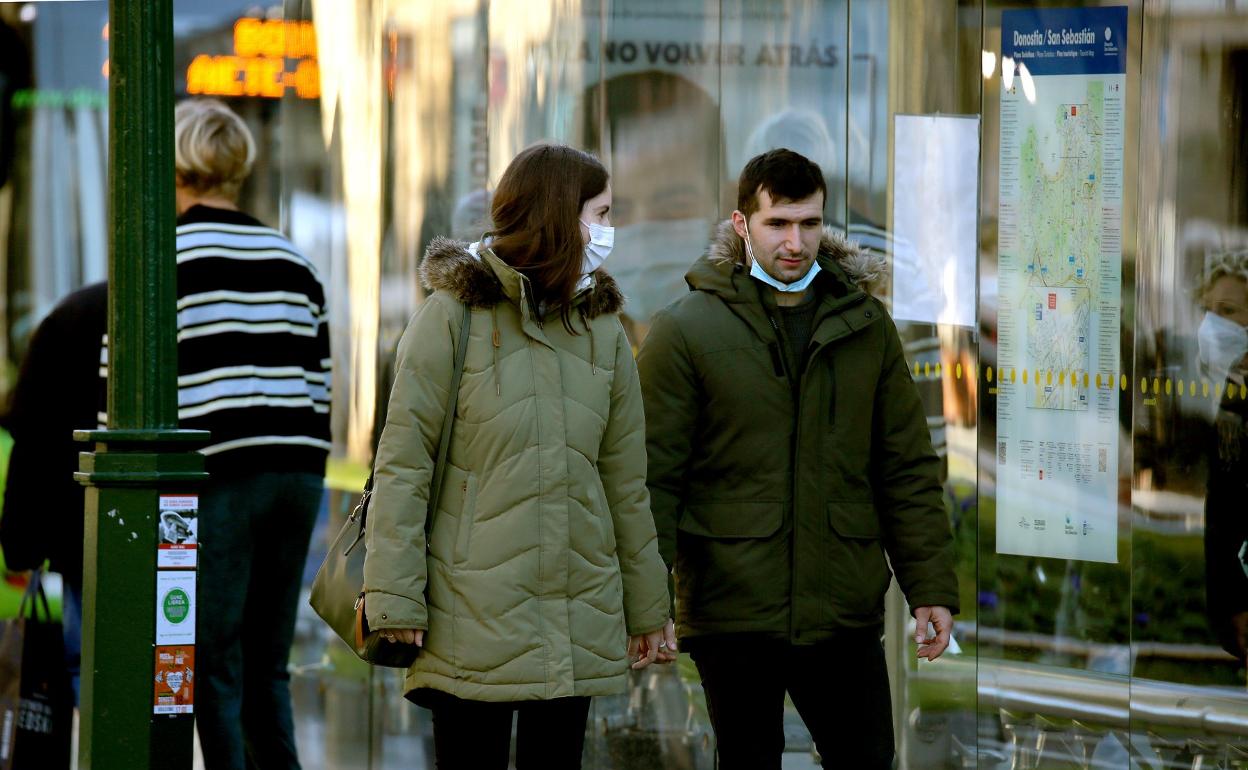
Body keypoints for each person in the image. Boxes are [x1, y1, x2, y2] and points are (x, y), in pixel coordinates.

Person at [637, 149, 959, 769]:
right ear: (741, 225)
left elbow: (906, 470)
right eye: (777, 224)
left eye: (809, 224)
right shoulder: (684, 331)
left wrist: (930, 589)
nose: (795, 242)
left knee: (867, 758)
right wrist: (649, 603)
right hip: (732, 609)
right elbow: (653, 480)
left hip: (842, 610)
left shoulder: (867, 326)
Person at [363, 143, 673, 770]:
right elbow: (403, 463)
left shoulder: (604, 329)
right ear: (559, 216)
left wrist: (648, 608)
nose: (610, 231)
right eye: (602, 214)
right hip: (467, 614)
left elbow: (624, 481)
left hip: (573, 616)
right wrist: (394, 596)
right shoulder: (452, 316)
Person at [170, 99, 331, 770]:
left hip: (220, 470)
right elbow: (320, 383)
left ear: (174, 166)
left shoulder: (164, 256)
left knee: (213, 658)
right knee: (269, 661)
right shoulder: (290, 259)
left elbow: (118, 383)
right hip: (296, 471)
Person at [0, 280, 107, 705]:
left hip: (82, 529)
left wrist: (20, 539)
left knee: (87, 660)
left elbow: (33, 437)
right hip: (187, 532)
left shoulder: (75, 313)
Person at [1198, 249, 1248, 661]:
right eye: (1209, 310)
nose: (1212, 324)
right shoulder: (1232, 399)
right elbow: (1223, 519)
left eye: (1228, 311)